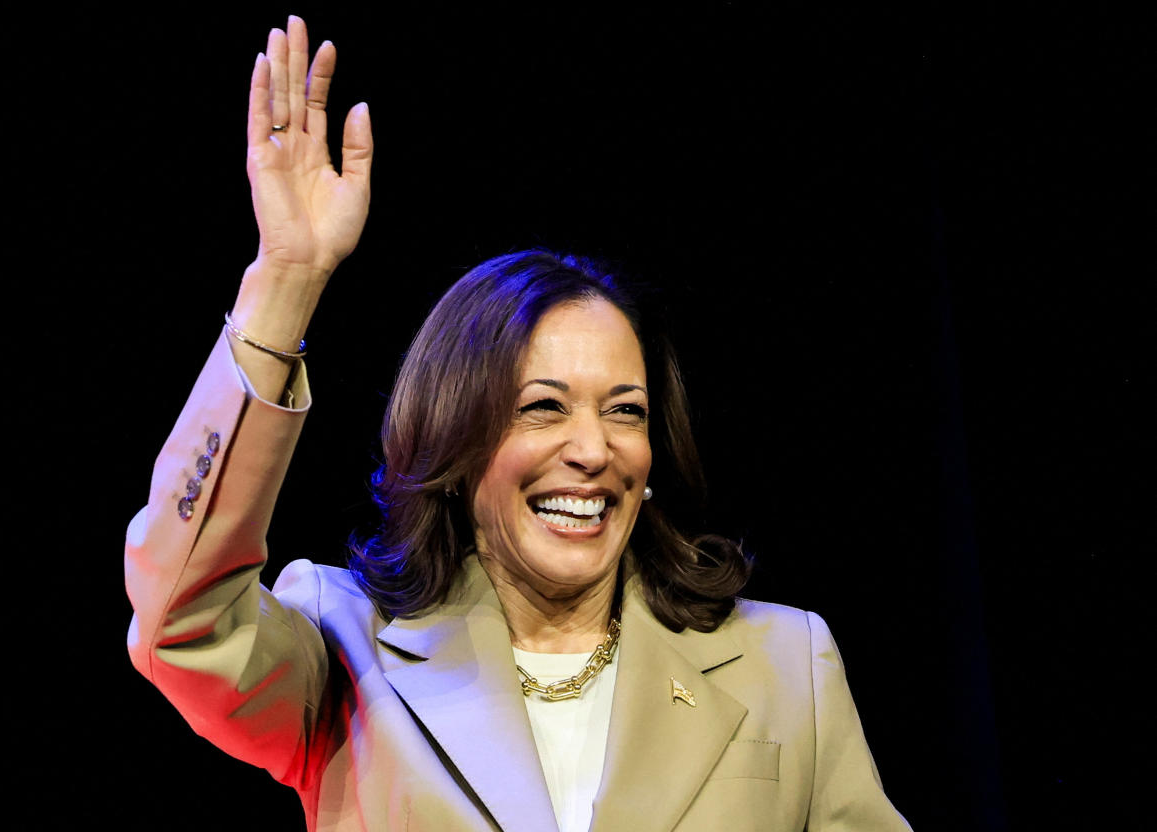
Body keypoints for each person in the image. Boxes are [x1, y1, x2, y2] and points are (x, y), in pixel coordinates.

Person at [125, 16, 913, 832]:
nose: (592, 450)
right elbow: (180, 621)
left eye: (626, 413)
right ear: (456, 447)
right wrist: (284, 279)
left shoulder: (784, 667)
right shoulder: (346, 652)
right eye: (543, 407)